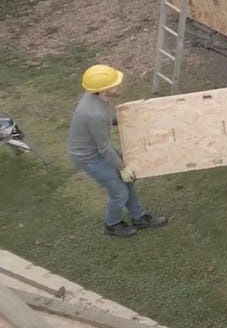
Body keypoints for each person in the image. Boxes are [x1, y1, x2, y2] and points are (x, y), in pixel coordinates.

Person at [67, 64, 168, 238]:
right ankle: (112, 224)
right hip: (89, 158)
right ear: (103, 90)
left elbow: (107, 120)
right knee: (119, 192)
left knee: (127, 182)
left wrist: (122, 119)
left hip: (97, 149)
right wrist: (122, 167)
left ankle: (139, 217)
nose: (119, 86)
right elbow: (104, 147)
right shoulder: (93, 114)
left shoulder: (97, 98)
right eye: (114, 84)